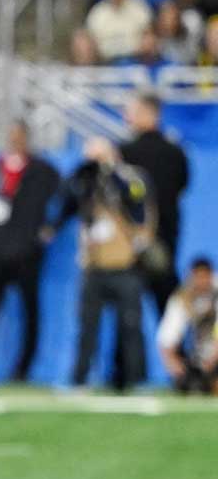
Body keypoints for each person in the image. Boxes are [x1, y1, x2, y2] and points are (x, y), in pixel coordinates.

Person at [0, 121, 59, 383]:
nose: (16, 141)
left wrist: (50, 227)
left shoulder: (42, 171)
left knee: (30, 312)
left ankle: (23, 370)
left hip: (27, 254)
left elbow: (66, 197)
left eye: (20, 136)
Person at [60, 138, 154, 391]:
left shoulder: (131, 177)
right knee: (87, 327)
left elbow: (137, 202)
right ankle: (79, 379)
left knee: (131, 325)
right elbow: (66, 198)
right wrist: (85, 174)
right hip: (93, 265)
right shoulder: (86, 181)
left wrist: (110, 171)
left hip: (125, 263)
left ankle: (137, 379)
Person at [119, 92, 189, 315]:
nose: (126, 118)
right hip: (165, 239)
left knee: (128, 312)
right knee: (167, 309)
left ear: (147, 114)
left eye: (131, 112)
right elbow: (182, 185)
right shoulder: (176, 153)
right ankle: (179, 349)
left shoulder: (125, 153)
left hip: (133, 241)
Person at [157, 258, 217, 394]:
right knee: (187, 383)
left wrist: (212, 360)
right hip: (198, 356)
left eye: (204, 277)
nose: (201, 281)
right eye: (198, 277)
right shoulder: (183, 297)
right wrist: (175, 364)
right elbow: (167, 337)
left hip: (214, 355)